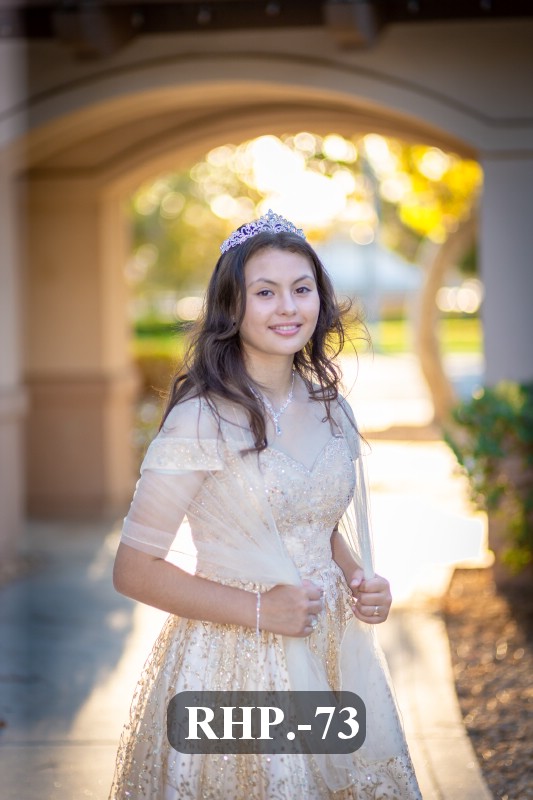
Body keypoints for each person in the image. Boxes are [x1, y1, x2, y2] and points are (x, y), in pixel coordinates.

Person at [109, 210, 422, 799]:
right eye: (265, 292)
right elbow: (133, 570)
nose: (288, 307)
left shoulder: (331, 408)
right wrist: (260, 612)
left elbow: (314, 521)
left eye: (302, 289)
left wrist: (360, 579)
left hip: (330, 652)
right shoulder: (200, 418)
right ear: (232, 306)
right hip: (235, 658)